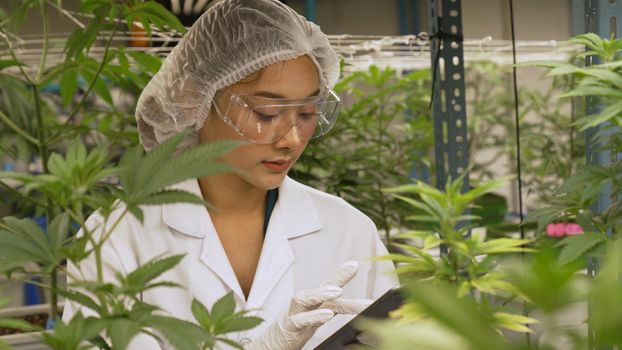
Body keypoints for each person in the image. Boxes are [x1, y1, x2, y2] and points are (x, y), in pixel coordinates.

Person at [63, 0, 399, 349]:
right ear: (195, 99)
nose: (292, 139)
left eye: (307, 112)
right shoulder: (118, 236)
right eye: (267, 113)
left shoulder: (349, 231)